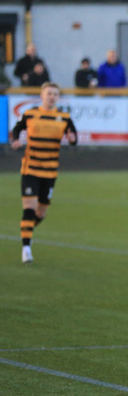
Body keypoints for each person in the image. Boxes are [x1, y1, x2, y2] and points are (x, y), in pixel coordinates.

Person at [8, 82, 77, 264]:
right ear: (42, 95)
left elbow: (73, 137)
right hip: (30, 169)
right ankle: (26, 248)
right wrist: (15, 140)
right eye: (49, 93)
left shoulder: (64, 117)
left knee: (41, 213)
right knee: (29, 208)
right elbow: (17, 128)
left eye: (55, 94)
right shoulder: (31, 114)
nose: (52, 97)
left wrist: (72, 139)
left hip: (50, 171)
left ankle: (26, 229)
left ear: (58, 97)